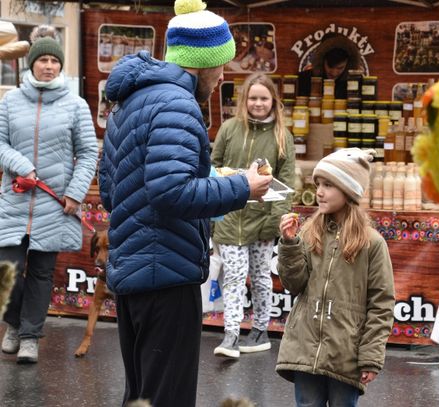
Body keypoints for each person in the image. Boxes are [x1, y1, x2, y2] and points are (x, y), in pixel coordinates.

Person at [98, 0, 272, 406]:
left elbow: (114, 191)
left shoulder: (130, 101)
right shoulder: (177, 104)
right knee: (167, 397)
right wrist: (242, 187)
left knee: (141, 394)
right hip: (165, 275)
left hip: (135, 273)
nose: (225, 73)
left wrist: (208, 179)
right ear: (202, 63)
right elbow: (170, 192)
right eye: (221, 64)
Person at [0, 37, 98, 364]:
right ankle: (13, 323)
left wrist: (74, 192)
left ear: (60, 66)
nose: (48, 66)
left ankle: (29, 336)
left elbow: (87, 154)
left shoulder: (76, 105)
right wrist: (21, 165)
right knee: (8, 268)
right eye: (42, 61)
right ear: (32, 64)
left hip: (54, 204)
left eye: (54, 62)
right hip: (15, 199)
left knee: (42, 273)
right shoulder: (10, 101)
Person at [276, 148, 395, 407]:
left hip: (346, 352)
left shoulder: (372, 243)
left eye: (328, 185)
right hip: (305, 348)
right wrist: (290, 245)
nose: (319, 191)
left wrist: (371, 357)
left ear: (349, 191)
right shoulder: (308, 232)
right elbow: (293, 284)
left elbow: (381, 304)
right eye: (318, 183)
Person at [211, 73, 295, 358]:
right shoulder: (229, 129)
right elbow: (213, 166)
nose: (258, 104)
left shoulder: (283, 136)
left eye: (264, 98)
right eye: (253, 98)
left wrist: (275, 220)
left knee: (260, 276)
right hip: (230, 216)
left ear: (273, 101)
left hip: (263, 219)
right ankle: (231, 334)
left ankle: (259, 330)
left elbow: (287, 182)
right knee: (233, 276)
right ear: (244, 100)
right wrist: (213, 208)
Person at [297, 33, 361, 99]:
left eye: (340, 68)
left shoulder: (356, 83)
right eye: (330, 66)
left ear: (348, 64)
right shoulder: (303, 80)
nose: (334, 73)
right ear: (321, 61)